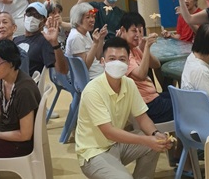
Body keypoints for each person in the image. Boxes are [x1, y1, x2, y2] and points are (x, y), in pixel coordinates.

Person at [75, 37, 174, 179]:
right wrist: (147, 141)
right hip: (93, 153)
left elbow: (142, 117)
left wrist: (155, 134)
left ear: (128, 63)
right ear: (103, 62)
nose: (117, 63)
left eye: (122, 59)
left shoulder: (129, 84)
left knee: (154, 144)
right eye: (112, 59)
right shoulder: (93, 90)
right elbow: (108, 132)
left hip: (116, 145)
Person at [119, 12, 173, 123]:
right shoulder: (122, 52)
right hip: (147, 106)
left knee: (181, 96)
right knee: (186, 105)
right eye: (134, 31)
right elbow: (141, 75)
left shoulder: (133, 47)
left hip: (152, 98)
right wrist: (147, 47)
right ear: (123, 30)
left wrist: (143, 47)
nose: (138, 35)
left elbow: (156, 65)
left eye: (140, 31)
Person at [14, 2, 68, 75]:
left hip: (30, 84)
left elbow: (62, 71)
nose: (32, 18)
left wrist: (55, 43)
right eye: (29, 14)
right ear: (24, 17)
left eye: (37, 16)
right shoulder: (16, 40)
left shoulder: (45, 41)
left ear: (44, 21)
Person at [66, 2, 107, 80]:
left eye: (93, 17)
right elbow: (84, 67)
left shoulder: (85, 32)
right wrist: (95, 44)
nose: (92, 20)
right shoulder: (76, 37)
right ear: (77, 20)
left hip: (98, 72)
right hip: (91, 79)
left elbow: (97, 57)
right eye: (88, 17)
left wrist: (101, 39)